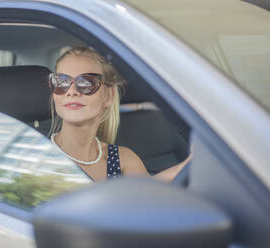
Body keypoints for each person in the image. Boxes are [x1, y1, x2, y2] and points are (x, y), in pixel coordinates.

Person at [48, 46, 190, 182]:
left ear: (108, 96)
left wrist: (190, 164)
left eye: (86, 82)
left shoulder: (123, 160)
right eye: (62, 82)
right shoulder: (36, 158)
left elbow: (148, 195)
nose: (71, 91)